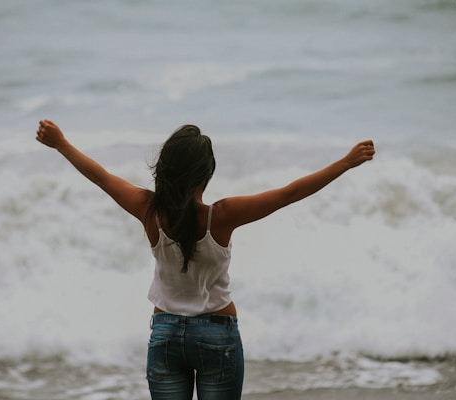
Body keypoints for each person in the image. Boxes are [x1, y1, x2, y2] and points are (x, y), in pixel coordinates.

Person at [35, 120, 375, 400]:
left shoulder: (148, 210)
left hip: (165, 333)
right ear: (206, 173)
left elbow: (100, 177)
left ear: (165, 170)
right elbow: (288, 194)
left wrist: (61, 143)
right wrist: (345, 163)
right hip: (217, 335)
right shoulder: (222, 215)